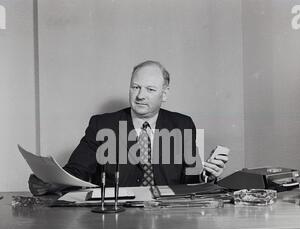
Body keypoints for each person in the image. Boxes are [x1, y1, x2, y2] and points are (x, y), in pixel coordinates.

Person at [29, 60, 229, 196]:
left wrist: (208, 174)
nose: (140, 95)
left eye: (150, 89)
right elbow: (76, 171)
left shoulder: (182, 124)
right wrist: (50, 181)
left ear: (165, 94)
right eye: (135, 87)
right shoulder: (102, 124)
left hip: (168, 217)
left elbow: (191, 180)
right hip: (115, 217)